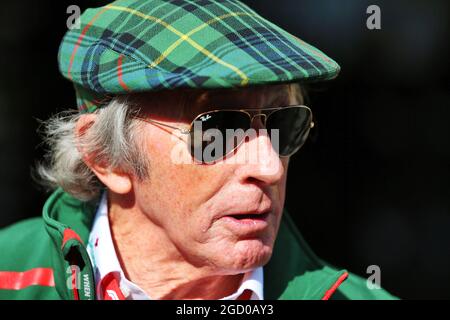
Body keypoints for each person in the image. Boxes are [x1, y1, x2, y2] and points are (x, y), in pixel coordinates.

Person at [0, 0, 395, 300]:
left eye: (283, 124)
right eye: (218, 129)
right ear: (106, 157)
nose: (269, 166)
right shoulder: (11, 273)